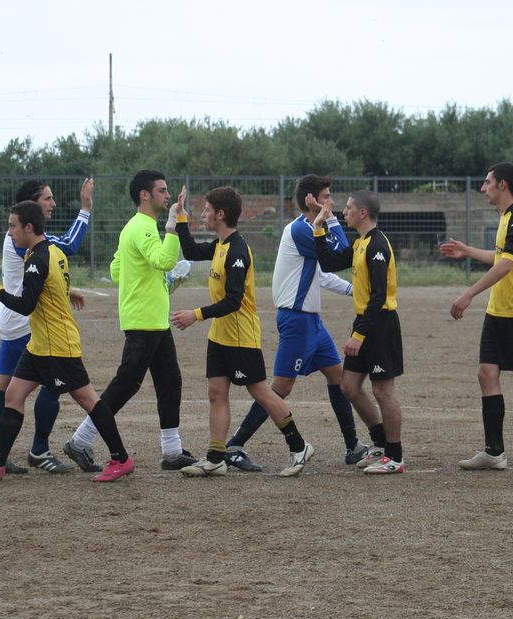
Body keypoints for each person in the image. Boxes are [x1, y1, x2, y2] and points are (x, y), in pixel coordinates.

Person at [0, 201, 133, 482]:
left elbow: (26, 304)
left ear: (29, 227)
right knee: (13, 395)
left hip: (57, 346)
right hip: (40, 345)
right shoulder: (49, 252)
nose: (10, 232)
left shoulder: (38, 258)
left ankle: (121, 459)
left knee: (88, 400)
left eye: (13, 226)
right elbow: (49, 289)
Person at [222, 174, 373, 472]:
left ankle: (352, 446)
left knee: (338, 378)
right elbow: (341, 254)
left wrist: (352, 290)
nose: (331, 202)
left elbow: (321, 272)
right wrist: (330, 219)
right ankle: (234, 446)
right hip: (297, 320)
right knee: (280, 387)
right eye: (326, 196)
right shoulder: (302, 230)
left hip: (311, 321)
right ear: (310, 200)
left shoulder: (310, 229)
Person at [170, 186, 313, 477]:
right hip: (219, 336)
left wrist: (196, 315)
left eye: (207, 210)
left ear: (221, 214)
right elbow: (193, 251)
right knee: (216, 392)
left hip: (241, 337)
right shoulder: (220, 244)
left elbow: (233, 301)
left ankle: (299, 446)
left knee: (260, 392)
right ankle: (215, 458)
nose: (203, 214)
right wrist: (181, 218)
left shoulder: (237, 251)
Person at [62, 170, 194, 472]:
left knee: (169, 381)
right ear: (145, 195)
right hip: (144, 321)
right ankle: (80, 441)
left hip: (152, 320)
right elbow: (165, 261)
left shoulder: (132, 227)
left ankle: (172, 451)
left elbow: (117, 271)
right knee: (126, 384)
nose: (168, 196)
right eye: (162, 191)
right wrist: (173, 224)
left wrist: (160, 282)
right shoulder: (145, 228)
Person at [440, 162, 513, 471]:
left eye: (487, 182)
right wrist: (469, 251)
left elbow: (506, 264)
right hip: (498, 311)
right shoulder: (506, 219)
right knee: (486, 374)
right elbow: (501, 256)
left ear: (502, 185)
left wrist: (469, 293)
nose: (483, 188)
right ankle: (494, 452)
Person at [0, 178, 93, 474]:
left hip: (11, 319)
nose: (52, 204)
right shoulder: (23, 235)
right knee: (52, 387)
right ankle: (39, 450)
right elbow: (68, 246)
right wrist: (85, 209)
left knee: (4, 387)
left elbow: (37, 274)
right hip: (25, 323)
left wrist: (66, 291)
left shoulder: (17, 234)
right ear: (33, 204)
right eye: (47, 198)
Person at [311, 190, 404, 475]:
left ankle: (395, 456)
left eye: (349, 208)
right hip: (365, 322)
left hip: (380, 324)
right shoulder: (360, 242)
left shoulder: (377, 246)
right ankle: (380, 444)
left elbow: (378, 297)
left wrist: (359, 335)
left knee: (382, 391)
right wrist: (318, 228)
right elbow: (328, 263)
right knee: (349, 386)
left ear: (363, 212)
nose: (344, 212)